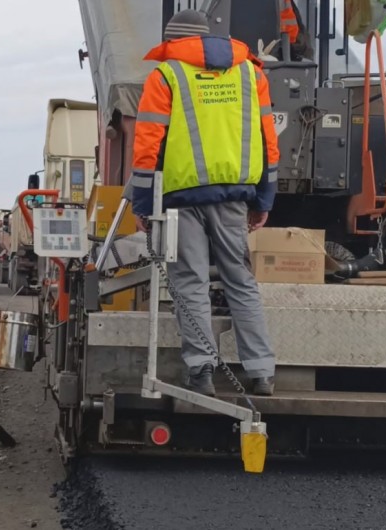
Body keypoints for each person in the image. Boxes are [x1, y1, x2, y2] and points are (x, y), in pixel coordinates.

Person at [128, 10, 280, 397]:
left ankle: (201, 371)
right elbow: (268, 140)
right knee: (240, 280)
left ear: (172, 41)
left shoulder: (166, 76)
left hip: (181, 197)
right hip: (235, 196)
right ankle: (262, 372)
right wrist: (264, 198)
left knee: (190, 282)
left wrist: (142, 203)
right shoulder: (251, 74)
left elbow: (147, 147)